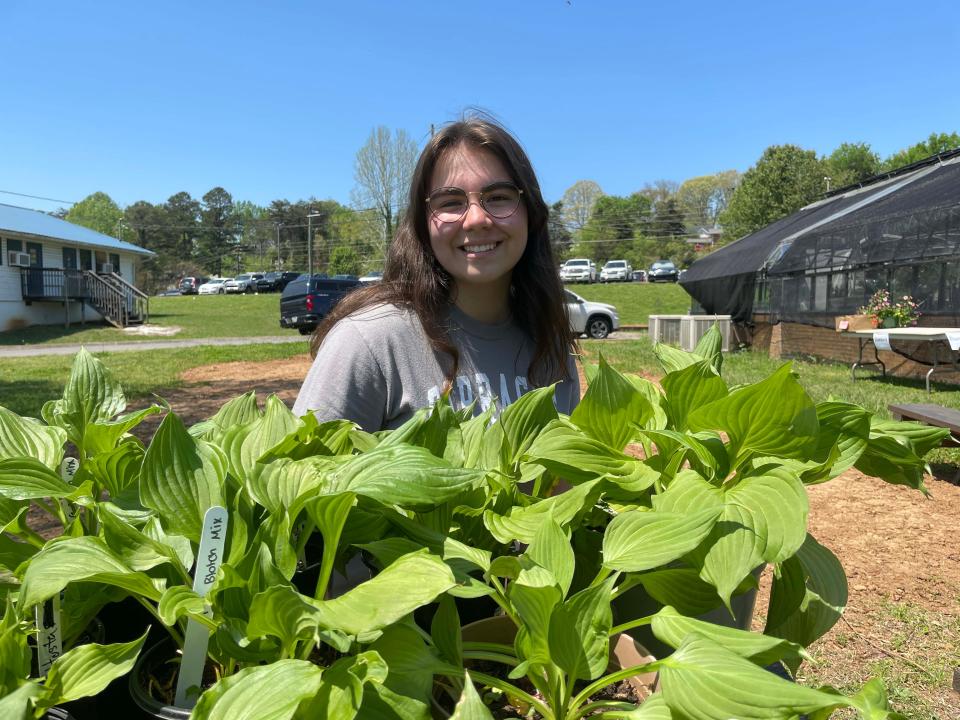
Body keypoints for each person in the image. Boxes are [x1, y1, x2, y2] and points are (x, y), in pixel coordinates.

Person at [292, 116, 580, 431]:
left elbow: (566, 480)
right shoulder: (370, 343)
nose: (476, 219)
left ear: (531, 212)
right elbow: (297, 477)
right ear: (422, 223)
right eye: (451, 202)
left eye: (498, 197)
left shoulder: (551, 351)